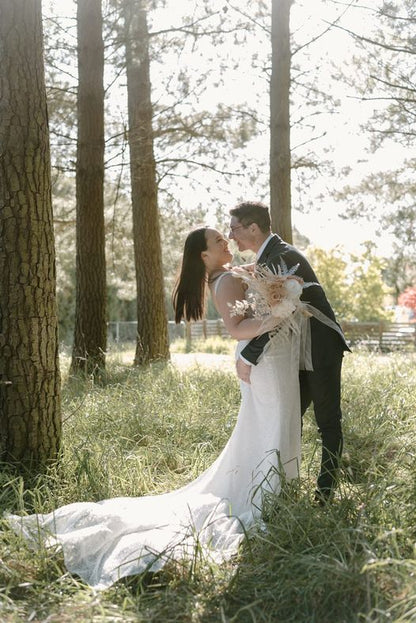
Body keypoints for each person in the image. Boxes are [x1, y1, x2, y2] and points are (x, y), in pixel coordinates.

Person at [5, 226, 302, 591]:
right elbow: (238, 329)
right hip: (259, 360)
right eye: (217, 242)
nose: (226, 242)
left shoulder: (231, 275)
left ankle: (274, 488)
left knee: (265, 427)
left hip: (266, 359)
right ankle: (266, 493)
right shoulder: (224, 282)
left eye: (225, 239)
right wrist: (278, 315)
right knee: (266, 426)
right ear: (203, 256)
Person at [228, 201, 350, 504]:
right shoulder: (269, 256)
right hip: (295, 352)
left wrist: (248, 356)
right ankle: (278, 488)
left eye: (234, 229)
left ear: (253, 228)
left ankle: (324, 496)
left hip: (319, 350)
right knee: (287, 418)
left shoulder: (280, 257)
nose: (231, 237)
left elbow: (279, 314)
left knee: (328, 422)